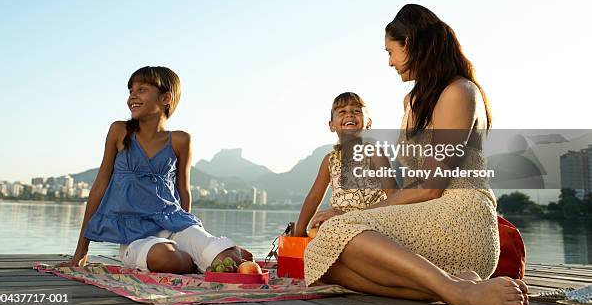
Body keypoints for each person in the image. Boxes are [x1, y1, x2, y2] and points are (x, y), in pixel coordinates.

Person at [303, 5, 529, 305]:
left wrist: (352, 216)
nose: (389, 62)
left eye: (390, 51)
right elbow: (412, 189)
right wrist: (355, 216)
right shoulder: (412, 101)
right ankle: (455, 284)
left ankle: (455, 290)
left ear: (409, 44)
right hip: (420, 219)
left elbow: (431, 188)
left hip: (460, 220)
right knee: (320, 260)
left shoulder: (458, 92)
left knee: (337, 233)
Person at [64, 66, 251, 273]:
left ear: (165, 98)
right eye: (130, 90)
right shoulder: (119, 131)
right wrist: (81, 251)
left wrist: (192, 234)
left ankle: (213, 252)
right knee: (166, 259)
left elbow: (183, 192)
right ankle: (202, 256)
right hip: (135, 237)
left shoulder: (181, 140)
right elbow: (100, 187)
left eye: (141, 89)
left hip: (175, 224)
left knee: (229, 261)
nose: (132, 96)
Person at [293, 92, 391, 237]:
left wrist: (347, 215)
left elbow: (394, 197)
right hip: (338, 223)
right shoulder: (330, 160)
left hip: (371, 224)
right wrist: (299, 232)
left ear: (368, 123)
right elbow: (314, 197)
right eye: (342, 111)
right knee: (316, 231)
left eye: (356, 111)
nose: (350, 114)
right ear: (331, 125)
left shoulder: (375, 154)